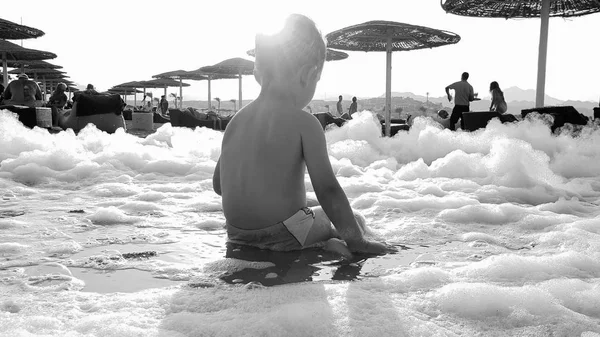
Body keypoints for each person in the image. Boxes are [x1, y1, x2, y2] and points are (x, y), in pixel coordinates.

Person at [212, 14, 393, 256]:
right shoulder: (305, 123)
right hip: (286, 236)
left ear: (257, 74)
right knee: (355, 220)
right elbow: (328, 190)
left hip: (237, 235)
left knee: (311, 210)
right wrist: (357, 240)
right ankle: (337, 247)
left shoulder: (235, 123)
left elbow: (219, 186)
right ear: (308, 75)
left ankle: (323, 243)